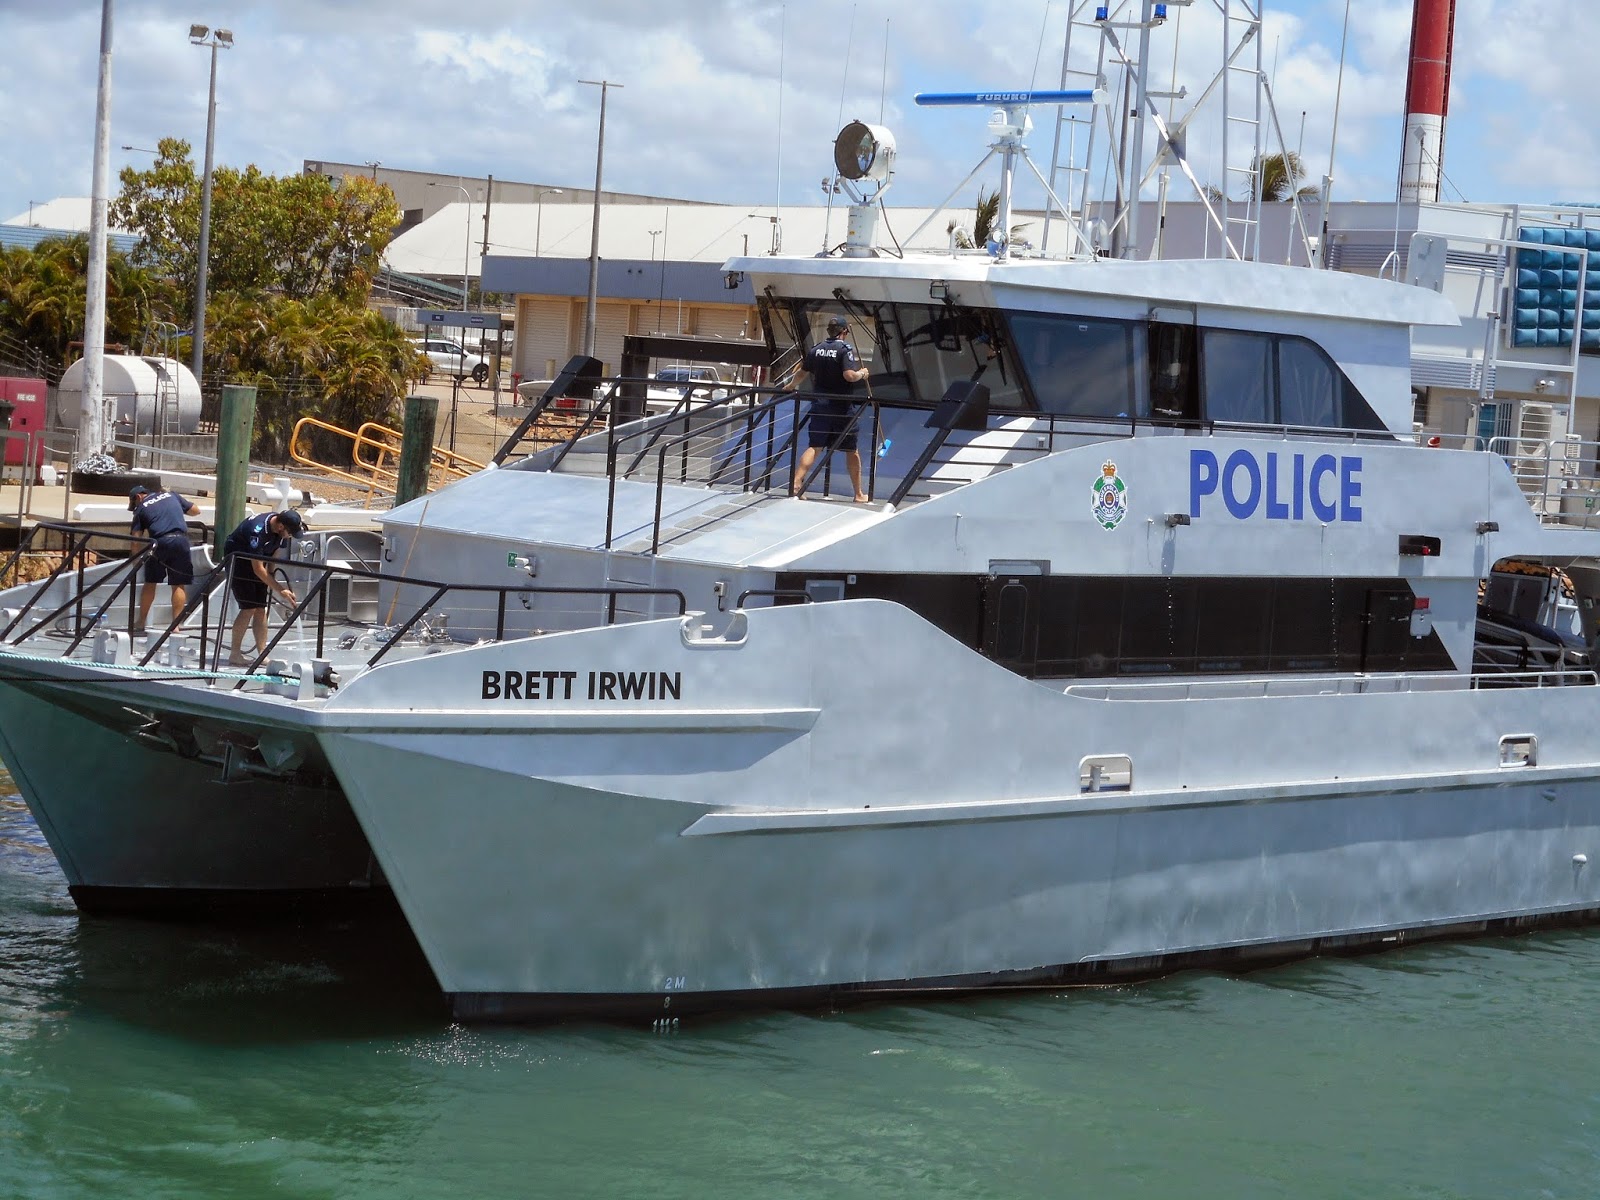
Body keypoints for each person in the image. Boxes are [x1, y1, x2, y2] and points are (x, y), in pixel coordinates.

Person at [788, 314, 871, 502]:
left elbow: (802, 372)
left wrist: (791, 386)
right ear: (844, 332)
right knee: (851, 450)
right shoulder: (844, 349)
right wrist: (862, 374)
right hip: (842, 409)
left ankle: (795, 484)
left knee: (815, 446)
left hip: (820, 406)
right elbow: (849, 376)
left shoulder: (816, 349)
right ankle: (858, 494)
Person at [222, 509, 305, 666]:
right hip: (239, 561)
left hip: (259, 561)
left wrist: (271, 576)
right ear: (280, 527)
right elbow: (257, 569)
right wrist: (280, 590)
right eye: (290, 533)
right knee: (249, 608)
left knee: (261, 608)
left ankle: (262, 653)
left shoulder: (282, 531)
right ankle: (235, 654)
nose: (290, 536)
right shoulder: (258, 531)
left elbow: (274, 553)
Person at [128, 484, 200, 634]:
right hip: (181, 541)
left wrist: (135, 561)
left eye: (134, 503)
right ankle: (175, 625)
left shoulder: (141, 508)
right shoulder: (172, 495)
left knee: (150, 583)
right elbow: (196, 511)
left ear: (138, 497)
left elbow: (135, 540)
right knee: (178, 584)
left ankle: (141, 622)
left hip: (159, 543)